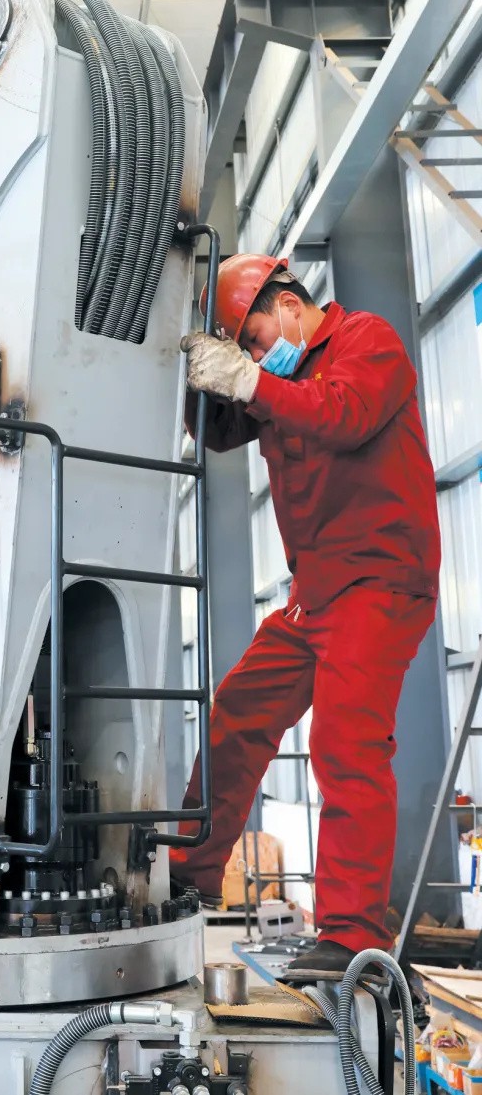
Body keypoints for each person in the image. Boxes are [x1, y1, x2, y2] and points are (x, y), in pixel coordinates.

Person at [171, 254, 440, 980]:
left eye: (256, 340)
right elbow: (221, 427)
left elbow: (343, 417)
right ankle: (190, 873)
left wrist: (252, 380)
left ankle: (351, 934)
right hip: (316, 590)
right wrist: (188, 375)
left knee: (346, 742)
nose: (258, 358)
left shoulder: (367, 342)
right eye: (248, 351)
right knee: (237, 714)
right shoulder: (279, 380)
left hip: (380, 578)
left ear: (289, 303)